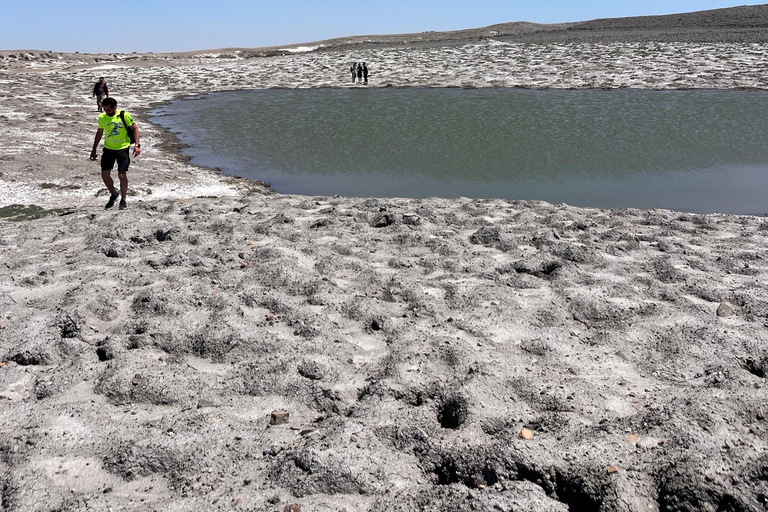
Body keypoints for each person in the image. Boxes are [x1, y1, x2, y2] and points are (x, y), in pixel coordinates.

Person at [89, 97, 140, 210]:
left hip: (123, 148)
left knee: (121, 175)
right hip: (108, 148)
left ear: (115, 107)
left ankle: (123, 199)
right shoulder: (102, 117)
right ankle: (114, 194)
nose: (106, 112)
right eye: (105, 109)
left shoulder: (124, 115)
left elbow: (135, 128)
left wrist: (137, 146)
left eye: (108, 110)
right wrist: (94, 149)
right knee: (105, 175)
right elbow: (99, 132)